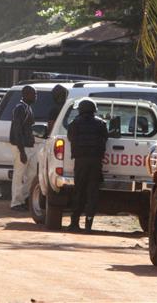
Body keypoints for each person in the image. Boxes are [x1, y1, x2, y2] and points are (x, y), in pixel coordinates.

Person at [67, 98, 108, 232]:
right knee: (92, 193)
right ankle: (88, 225)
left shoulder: (74, 123)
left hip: (80, 162)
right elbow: (105, 138)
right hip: (96, 162)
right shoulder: (101, 123)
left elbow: (70, 138)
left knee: (79, 191)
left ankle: (74, 223)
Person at [9, 85, 37, 211]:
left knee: (32, 174)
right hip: (22, 147)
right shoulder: (20, 108)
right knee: (19, 175)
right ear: (26, 95)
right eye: (34, 94)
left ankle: (24, 198)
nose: (36, 97)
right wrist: (21, 151)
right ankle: (16, 202)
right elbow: (17, 130)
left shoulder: (27, 108)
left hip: (29, 146)